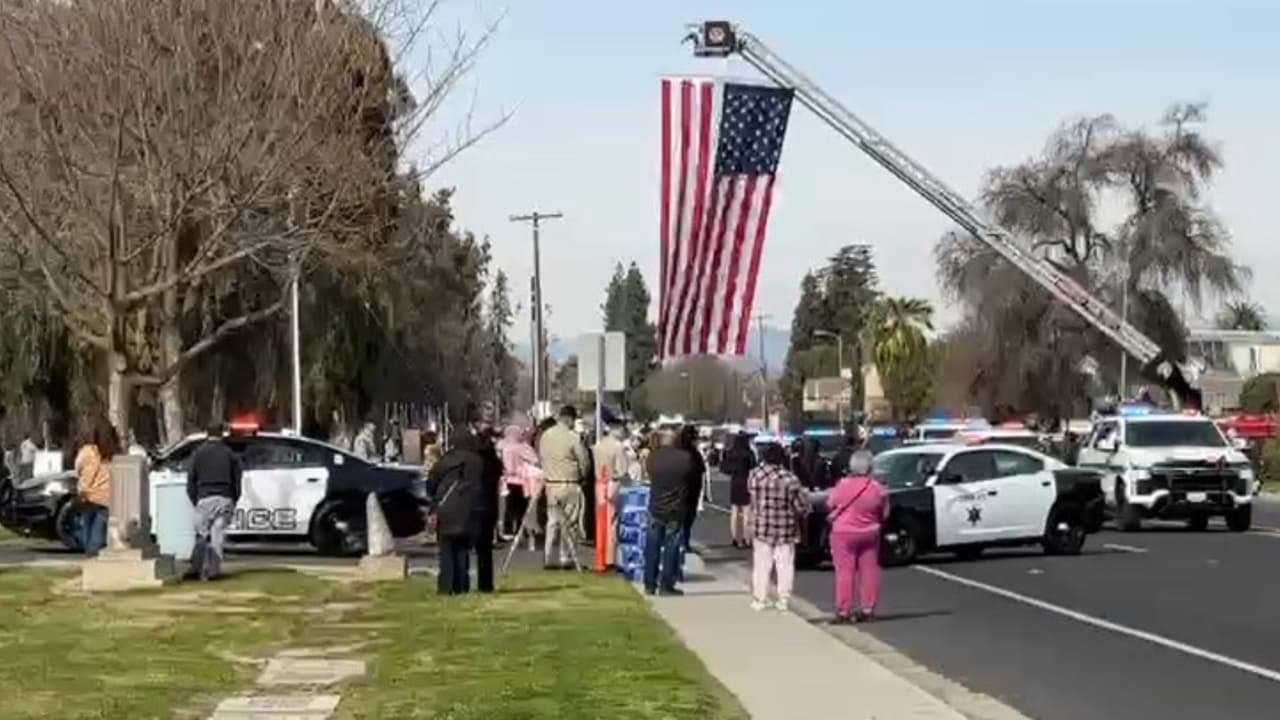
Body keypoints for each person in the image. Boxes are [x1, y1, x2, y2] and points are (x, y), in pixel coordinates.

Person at [827, 450, 889, 623]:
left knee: (844, 572)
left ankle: (843, 611)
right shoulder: (877, 487)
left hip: (844, 533)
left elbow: (830, 504)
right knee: (869, 571)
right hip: (870, 532)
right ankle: (868, 609)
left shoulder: (843, 485)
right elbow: (884, 513)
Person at [747, 442, 809, 611]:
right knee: (785, 565)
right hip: (785, 527)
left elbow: (753, 500)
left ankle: (760, 598)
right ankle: (783, 599)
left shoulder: (754, 475)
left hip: (762, 525)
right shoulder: (790, 479)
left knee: (761, 564)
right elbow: (802, 506)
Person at [427, 430, 485, 595]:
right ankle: (462, 585)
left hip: (446, 508)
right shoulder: (477, 461)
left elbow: (431, 483)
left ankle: (446, 586)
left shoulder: (446, 460)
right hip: (469, 509)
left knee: (446, 549)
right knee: (462, 550)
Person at [186, 423, 243, 581]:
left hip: (205, 497)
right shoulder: (230, 455)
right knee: (218, 533)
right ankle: (212, 571)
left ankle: (196, 568)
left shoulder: (198, 454)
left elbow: (191, 481)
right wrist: (233, 499)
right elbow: (238, 481)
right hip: (225, 497)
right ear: (222, 435)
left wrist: (196, 500)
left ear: (206, 434)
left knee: (202, 535)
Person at [537, 406, 589, 569]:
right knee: (570, 523)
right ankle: (565, 556)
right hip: (569, 483)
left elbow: (541, 457)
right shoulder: (573, 437)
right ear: (570, 419)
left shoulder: (546, 435)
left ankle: (547, 557)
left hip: (551, 484)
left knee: (552, 522)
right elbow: (584, 461)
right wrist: (583, 475)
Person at [643, 429, 692, 595]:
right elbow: (689, 479)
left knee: (652, 546)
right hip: (676, 507)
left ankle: (649, 582)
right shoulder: (684, 458)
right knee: (671, 547)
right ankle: (666, 584)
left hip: (656, 505)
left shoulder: (652, 457)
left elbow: (650, 476)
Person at [74, 417, 118, 557]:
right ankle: (96, 558)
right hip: (107, 498)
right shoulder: (114, 454)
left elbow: (78, 468)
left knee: (87, 532)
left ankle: (90, 560)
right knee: (98, 537)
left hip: (88, 496)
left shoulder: (87, 451)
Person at [592, 419, 629, 568]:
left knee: (601, 522)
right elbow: (622, 470)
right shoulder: (617, 447)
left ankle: (600, 558)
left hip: (600, 485)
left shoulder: (598, 445)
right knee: (612, 523)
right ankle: (610, 558)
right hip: (612, 485)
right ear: (616, 429)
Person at [473, 426, 503, 592]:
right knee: (485, 550)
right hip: (490, 506)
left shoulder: (472, 461)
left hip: (474, 505)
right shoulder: (494, 463)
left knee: (470, 547)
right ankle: (486, 584)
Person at [720, 432, 757, 549]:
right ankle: (747, 539)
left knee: (734, 512)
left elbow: (724, 468)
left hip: (734, 482)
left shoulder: (731, 452)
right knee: (747, 513)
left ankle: (735, 538)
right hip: (746, 481)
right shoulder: (749, 453)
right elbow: (753, 468)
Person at [676, 425, 706, 552]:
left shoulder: (678, 451)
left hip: (680, 489)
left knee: (680, 518)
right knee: (687, 518)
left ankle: (681, 542)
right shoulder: (693, 453)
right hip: (691, 489)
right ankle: (684, 542)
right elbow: (701, 469)